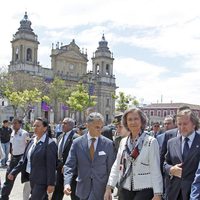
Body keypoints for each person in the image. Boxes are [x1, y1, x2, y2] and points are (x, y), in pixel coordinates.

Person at [104, 107, 163, 200]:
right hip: (125, 187)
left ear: (142, 121)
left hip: (145, 189)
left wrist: (157, 193)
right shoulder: (123, 142)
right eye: (130, 119)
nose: (133, 122)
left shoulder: (151, 141)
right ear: (126, 122)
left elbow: (155, 168)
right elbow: (117, 165)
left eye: (136, 119)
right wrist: (109, 187)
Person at [64, 112, 115, 200]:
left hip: (101, 190)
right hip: (83, 189)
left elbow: (111, 168)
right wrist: (67, 183)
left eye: (101, 127)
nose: (100, 130)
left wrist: (109, 188)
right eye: (97, 127)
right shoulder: (77, 143)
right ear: (87, 126)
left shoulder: (108, 144)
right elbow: (69, 165)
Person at [7, 117, 57, 200]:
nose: (35, 128)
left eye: (38, 126)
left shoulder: (50, 144)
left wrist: (51, 184)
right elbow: (24, 160)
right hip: (31, 178)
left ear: (45, 128)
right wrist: (13, 172)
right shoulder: (31, 141)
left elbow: (51, 166)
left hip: (42, 180)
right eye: (34, 126)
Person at [164, 109, 200, 200]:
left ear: (194, 124)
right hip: (174, 192)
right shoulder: (171, 142)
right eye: (179, 124)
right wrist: (171, 169)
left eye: (185, 124)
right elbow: (164, 163)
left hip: (194, 192)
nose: (181, 127)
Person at [0, 118, 29, 200]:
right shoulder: (12, 133)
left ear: (20, 124)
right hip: (14, 158)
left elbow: (28, 146)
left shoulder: (24, 133)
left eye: (15, 123)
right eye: (13, 123)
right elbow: (12, 146)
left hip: (23, 158)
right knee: (9, 176)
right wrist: (11, 156)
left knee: (28, 179)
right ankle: (4, 197)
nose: (13, 125)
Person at [52, 117, 79, 200]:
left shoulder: (76, 138)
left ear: (71, 125)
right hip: (59, 169)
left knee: (74, 193)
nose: (62, 125)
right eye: (62, 123)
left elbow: (77, 156)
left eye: (65, 123)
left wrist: (67, 165)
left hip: (71, 170)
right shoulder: (59, 136)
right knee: (57, 192)